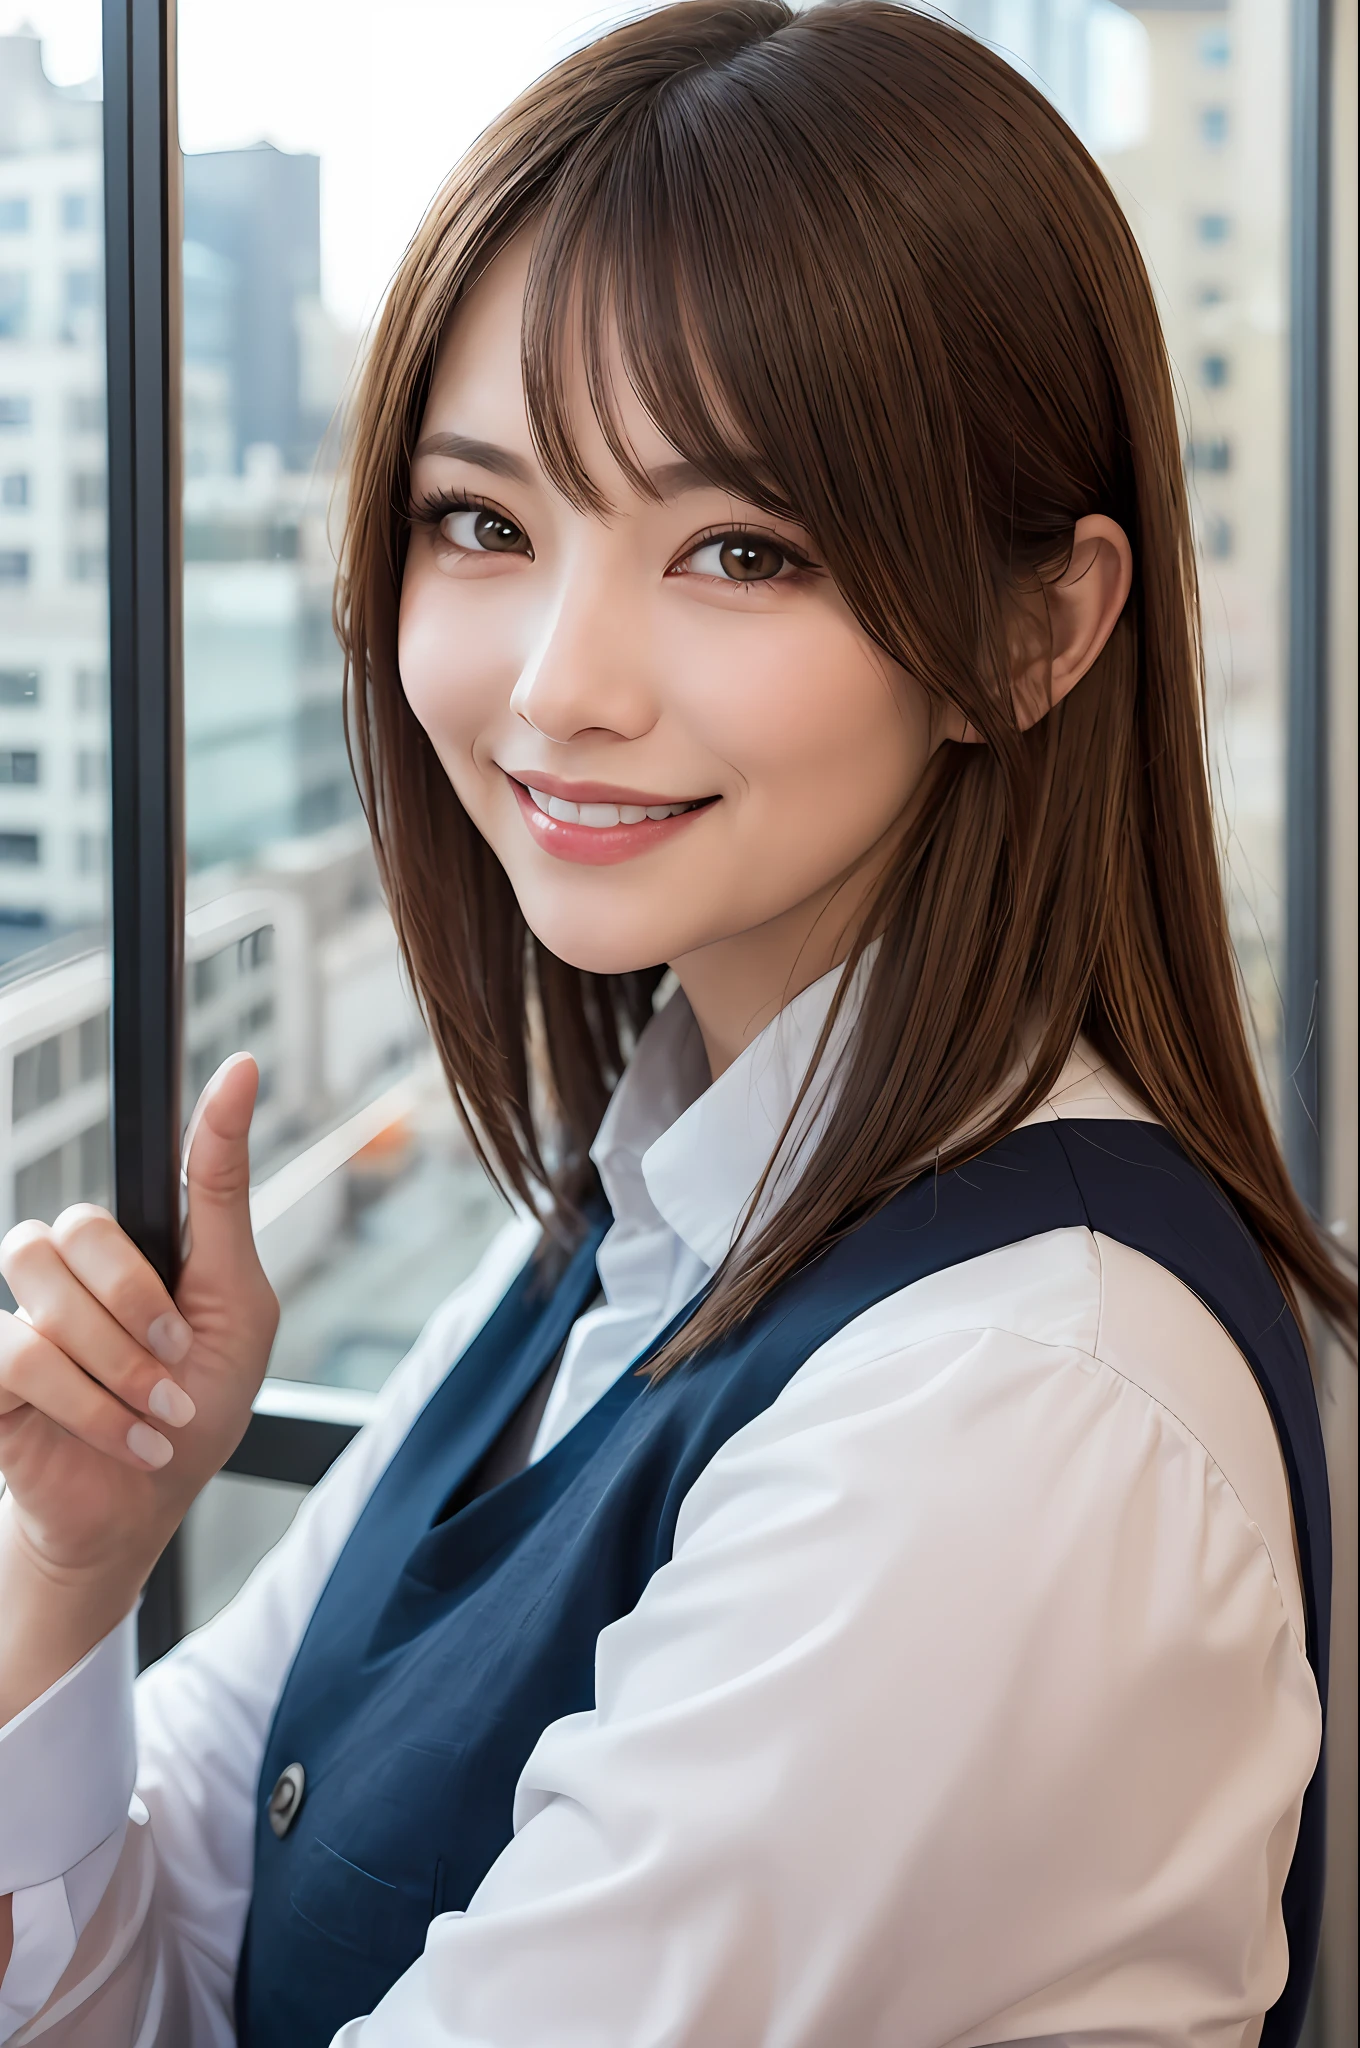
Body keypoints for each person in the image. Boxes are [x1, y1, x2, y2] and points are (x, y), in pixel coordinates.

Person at [0, 3, 1353, 2042]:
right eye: (484, 521)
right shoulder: (644, 1212)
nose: (558, 683)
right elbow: (161, 1960)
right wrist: (76, 1563)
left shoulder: (1008, 1417)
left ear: (1029, 631)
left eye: (738, 548)